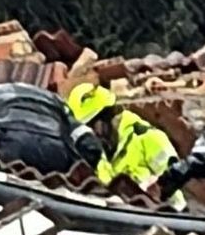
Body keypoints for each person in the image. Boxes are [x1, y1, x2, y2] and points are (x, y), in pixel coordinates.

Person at [67, 83, 187, 211]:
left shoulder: (148, 137)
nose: (91, 134)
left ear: (108, 116)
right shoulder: (95, 153)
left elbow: (175, 179)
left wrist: (159, 185)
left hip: (166, 217)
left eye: (92, 125)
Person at [0, 82, 104, 175]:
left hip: (9, 149)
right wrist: (80, 170)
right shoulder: (57, 103)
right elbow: (90, 144)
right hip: (56, 155)